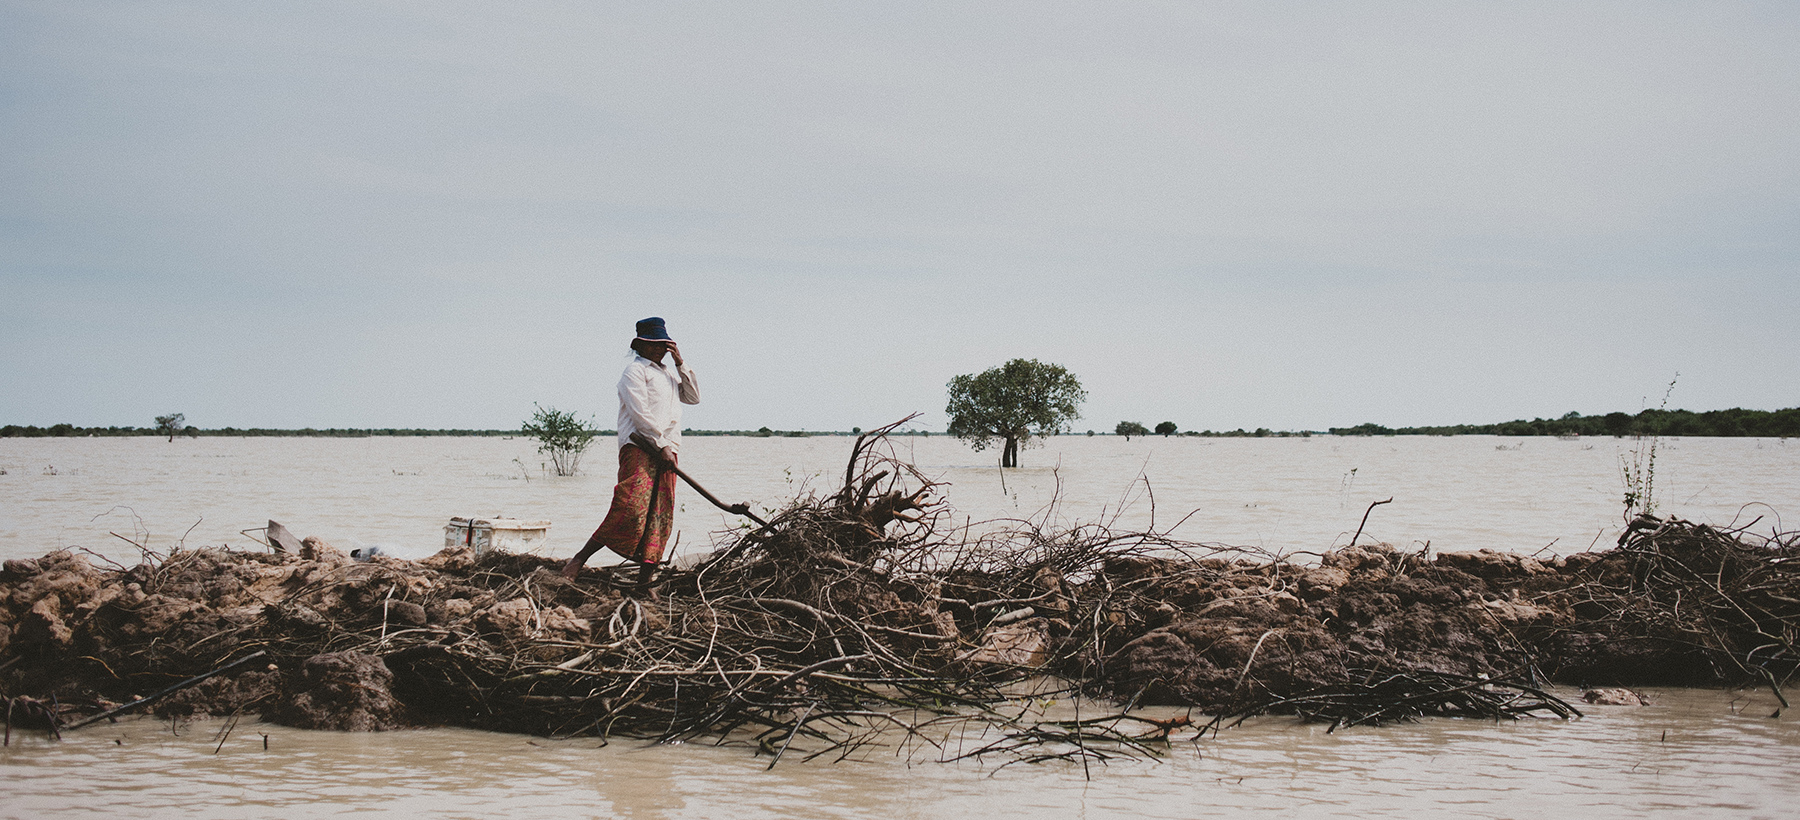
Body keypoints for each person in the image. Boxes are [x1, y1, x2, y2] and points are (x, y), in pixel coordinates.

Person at [561, 317, 700, 590]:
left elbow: (693, 397)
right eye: (654, 344)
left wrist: (680, 362)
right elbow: (640, 415)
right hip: (640, 446)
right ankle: (578, 559)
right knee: (629, 506)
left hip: (668, 450)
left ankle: (644, 581)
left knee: (660, 514)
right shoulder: (634, 372)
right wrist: (660, 445)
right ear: (641, 346)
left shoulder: (670, 375)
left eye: (664, 345)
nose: (660, 349)